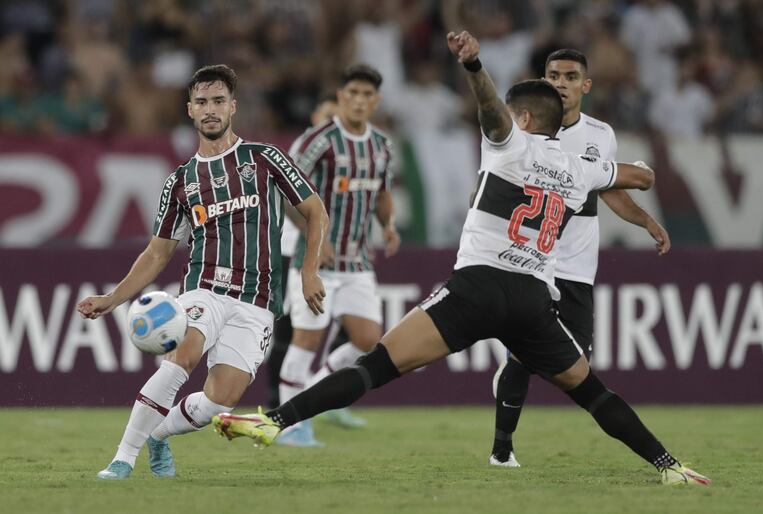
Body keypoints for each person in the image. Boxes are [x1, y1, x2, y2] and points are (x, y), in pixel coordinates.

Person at [213, 32, 710, 486]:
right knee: (591, 390)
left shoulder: (510, 144)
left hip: (475, 289)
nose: (502, 118)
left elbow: (491, 108)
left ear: (525, 119)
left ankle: (274, 421)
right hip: (533, 300)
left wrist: (474, 66)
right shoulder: (582, 169)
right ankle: (671, 466)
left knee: (376, 366)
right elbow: (639, 177)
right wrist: (634, 172)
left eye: (513, 112)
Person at [76, 64, 328, 480]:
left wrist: (309, 269)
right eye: (201, 102)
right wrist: (111, 299)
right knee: (181, 358)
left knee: (219, 401)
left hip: (257, 302)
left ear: (233, 106)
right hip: (203, 289)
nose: (210, 109)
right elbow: (157, 254)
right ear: (189, 110)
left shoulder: (264, 159)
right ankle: (122, 458)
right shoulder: (181, 181)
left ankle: (157, 436)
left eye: (218, 101)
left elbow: (315, 211)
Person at [488, 49, 672, 468]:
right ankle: (502, 450)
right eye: (553, 75)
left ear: (585, 86)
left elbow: (608, 188)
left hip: (576, 265)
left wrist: (646, 221)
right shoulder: (525, 129)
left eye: (571, 76)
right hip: (532, 260)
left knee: (573, 362)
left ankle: (514, 373)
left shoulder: (600, 135)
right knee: (523, 354)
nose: (561, 83)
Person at [274, 64, 401, 446]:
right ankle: (290, 426)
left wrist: (389, 225)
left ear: (375, 101)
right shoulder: (319, 140)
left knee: (369, 341)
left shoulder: (382, 144)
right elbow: (285, 191)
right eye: (353, 94)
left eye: (367, 95)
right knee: (307, 341)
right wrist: (314, 235)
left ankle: (315, 394)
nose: (360, 101)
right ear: (342, 97)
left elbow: (381, 192)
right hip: (315, 262)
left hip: (357, 261)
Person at [265, 91, 339, 409]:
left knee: (319, 329)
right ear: (314, 119)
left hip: (315, 252)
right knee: (285, 331)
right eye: (327, 118)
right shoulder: (302, 150)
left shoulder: (341, 156)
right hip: (288, 249)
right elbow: (289, 200)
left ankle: (310, 398)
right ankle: (275, 404)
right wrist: (317, 239)